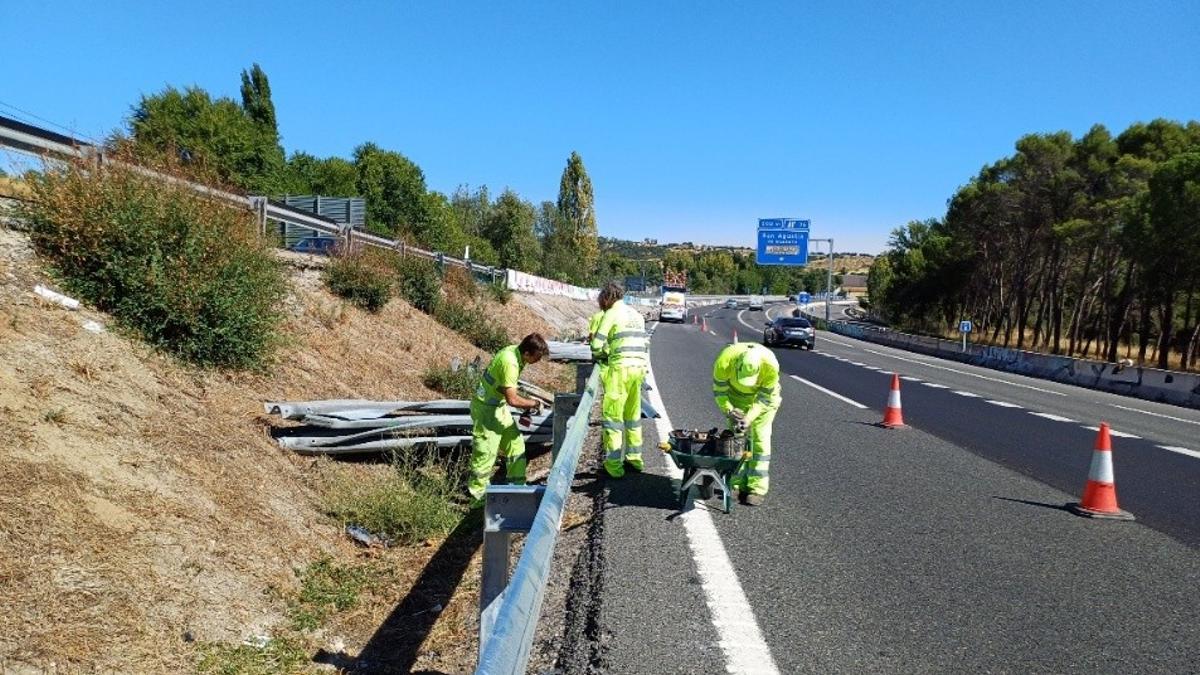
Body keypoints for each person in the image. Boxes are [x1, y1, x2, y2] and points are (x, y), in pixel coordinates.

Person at [467, 333, 550, 505]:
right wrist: (533, 403)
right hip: (485, 410)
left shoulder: (516, 353)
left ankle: (517, 487)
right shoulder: (510, 362)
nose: (537, 361)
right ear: (527, 353)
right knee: (486, 454)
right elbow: (513, 399)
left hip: (498, 407)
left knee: (516, 445)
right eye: (536, 357)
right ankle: (478, 498)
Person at [590, 283, 649, 478]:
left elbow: (597, 345)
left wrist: (603, 353)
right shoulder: (636, 314)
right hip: (639, 368)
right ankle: (635, 458)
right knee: (632, 416)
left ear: (606, 298)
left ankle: (614, 465)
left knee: (613, 417)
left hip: (620, 369)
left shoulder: (611, 314)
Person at [711, 342, 781, 506]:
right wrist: (729, 410)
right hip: (735, 398)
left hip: (763, 403)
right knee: (737, 440)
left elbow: (764, 399)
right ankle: (735, 483)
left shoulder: (770, 365)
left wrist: (749, 418)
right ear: (737, 365)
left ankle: (756, 488)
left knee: (760, 441)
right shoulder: (725, 360)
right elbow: (719, 392)